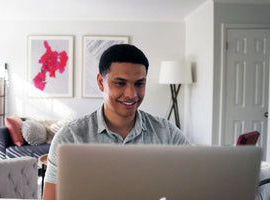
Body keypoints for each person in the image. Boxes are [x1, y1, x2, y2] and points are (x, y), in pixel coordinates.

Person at [42, 44, 190, 200]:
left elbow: (193, 182)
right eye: (120, 83)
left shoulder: (167, 133)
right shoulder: (69, 137)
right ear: (101, 82)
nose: (131, 94)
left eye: (139, 84)